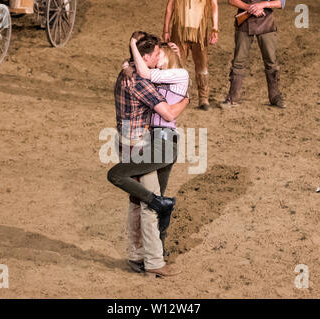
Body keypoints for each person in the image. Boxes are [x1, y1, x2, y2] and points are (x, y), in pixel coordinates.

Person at [108, 32, 189, 277]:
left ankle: (136, 256)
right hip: (142, 143)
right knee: (149, 204)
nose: (158, 57)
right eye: (156, 54)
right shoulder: (142, 82)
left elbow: (155, 70)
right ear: (145, 57)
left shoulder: (126, 72)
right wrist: (186, 100)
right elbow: (168, 114)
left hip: (125, 139)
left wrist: (175, 54)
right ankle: (154, 262)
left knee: (135, 202)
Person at [127, 35, 190, 257]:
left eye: (160, 54)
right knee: (155, 196)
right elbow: (136, 68)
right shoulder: (165, 77)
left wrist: (133, 44)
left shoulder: (179, 74)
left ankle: (153, 249)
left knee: (151, 197)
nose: (156, 57)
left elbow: (144, 72)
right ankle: (156, 249)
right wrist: (128, 64)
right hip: (154, 137)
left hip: (163, 137)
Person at [220, 0, 286, 109]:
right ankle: (233, 97)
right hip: (244, 23)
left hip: (266, 23)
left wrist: (262, 5)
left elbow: (281, 2)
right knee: (238, 62)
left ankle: (275, 97)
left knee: (271, 62)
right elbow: (232, 0)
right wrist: (249, 8)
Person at [162, 0, 219, 111]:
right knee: (177, 64)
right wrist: (166, 29)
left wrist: (214, 28)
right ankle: (177, 96)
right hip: (180, 30)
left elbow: (214, 5)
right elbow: (170, 6)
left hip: (199, 30)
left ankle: (203, 98)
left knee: (201, 64)